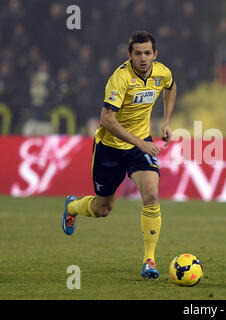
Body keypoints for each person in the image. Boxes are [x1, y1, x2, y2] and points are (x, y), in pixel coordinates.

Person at [61, 31, 177, 280]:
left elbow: (171, 86)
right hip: (110, 148)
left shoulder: (161, 73)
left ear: (155, 55)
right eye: (138, 54)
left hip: (139, 145)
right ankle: (72, 206)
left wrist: (166, 121)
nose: (143, 59)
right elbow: (107, 120)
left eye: (148, 53)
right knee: (103, 208)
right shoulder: (120, 79)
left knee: (152, 194)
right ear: (130, 55)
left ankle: (149, 260)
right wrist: (141, 143)